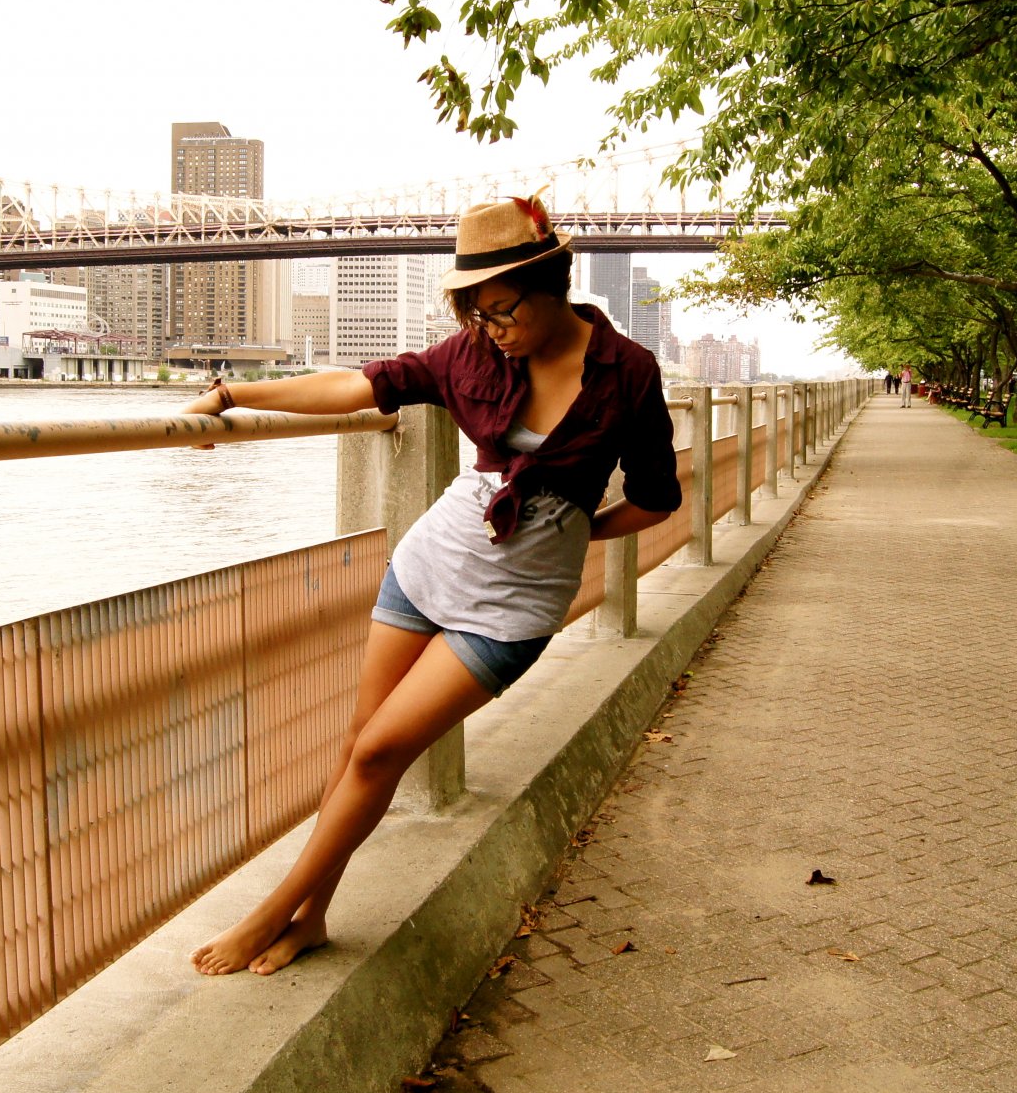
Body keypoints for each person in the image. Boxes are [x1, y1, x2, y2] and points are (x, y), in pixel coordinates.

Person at [183, 195, 682, 977]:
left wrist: (582, 530)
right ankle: (313, 916)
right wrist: (232, 397)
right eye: (477, 313)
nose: (491, 328)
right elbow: (360, 385)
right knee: (360, 744)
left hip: (513, 608)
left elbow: (658, 496)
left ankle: (272, 909)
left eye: (502, 309)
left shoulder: (629, 374)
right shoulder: (470, 355)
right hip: (430, 565)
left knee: (382, 748)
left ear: (552, 279)